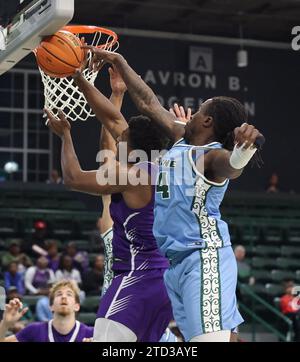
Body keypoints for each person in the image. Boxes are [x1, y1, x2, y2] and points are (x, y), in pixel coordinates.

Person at [85, 48, 265, 342]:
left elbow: (231, 168)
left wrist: (243, 153)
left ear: (207, 122)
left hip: (203, 256)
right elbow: (147, 101)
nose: (192, 113)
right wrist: (118, 60)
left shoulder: (210, 157)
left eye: (201, 109)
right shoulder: (180, 137)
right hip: (175, 264)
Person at [45, 64, 173, 342]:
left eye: (123, 139)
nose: (119, 137)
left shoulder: (134, 176)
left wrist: (65, 135)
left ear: (132, 146)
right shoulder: (166, 169)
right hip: (165, 282)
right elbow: (113, 123)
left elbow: (73, 177)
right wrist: (113, 93)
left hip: (137, 278)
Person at [0, 280, 93, 342]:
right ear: (51, 306)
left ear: (77, 306)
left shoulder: (92, 334)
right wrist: (5, 324)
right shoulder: (34, 330)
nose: (64, 297)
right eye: (59, 294)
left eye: (69, 294)